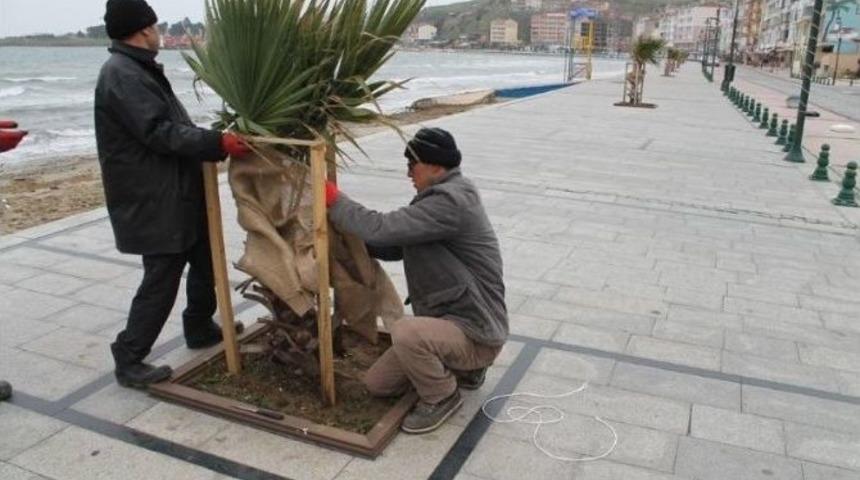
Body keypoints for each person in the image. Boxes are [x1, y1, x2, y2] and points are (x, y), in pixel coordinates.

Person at [95, 0, 250, 389]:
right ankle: (129, 355)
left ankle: (198, 326)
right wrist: (218, 142)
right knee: (162, 274)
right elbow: (160, 132)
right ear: (143, 29)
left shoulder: (137, 67)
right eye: (155, 25)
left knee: (204, 259)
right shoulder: (122, 74)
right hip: (154, 196)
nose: (159, 31)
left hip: (175, 189)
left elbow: (171, 126)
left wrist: (213, 137)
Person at [325, 127, 508, 434]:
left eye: (412, 164)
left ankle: (442, 396)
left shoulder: (450, 202)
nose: (407, 172)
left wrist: (334, 200)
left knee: (406, 331)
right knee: (377, 384)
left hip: (476, 331)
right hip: (452, 323)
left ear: (436, 166)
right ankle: (464, 369)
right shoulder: (438, 198)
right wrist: (347, 244)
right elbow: (393, 246)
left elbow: (381, 228)